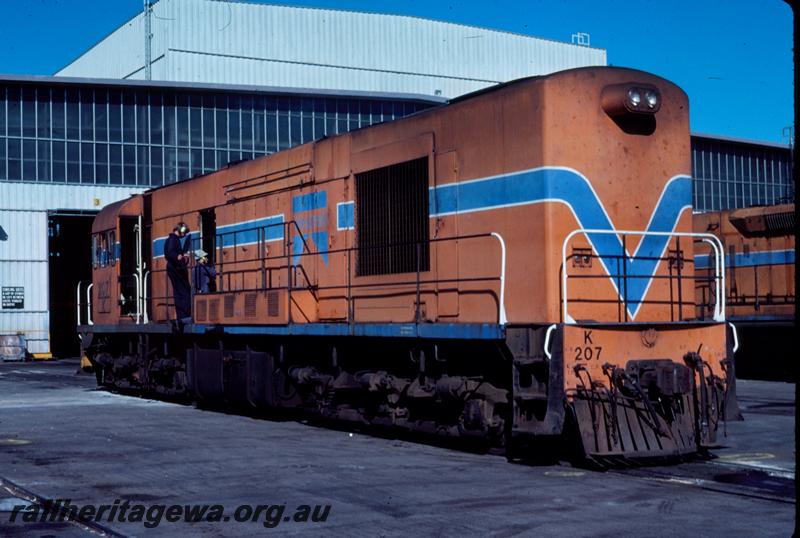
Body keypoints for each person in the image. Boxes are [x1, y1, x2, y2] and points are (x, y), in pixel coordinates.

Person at [164, 221, 192, 322]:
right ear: (179, 229)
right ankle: (184, 316)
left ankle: (183, 316)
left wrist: (183, 256)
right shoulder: (173, 239)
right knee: (183, 292)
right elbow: (170, 253)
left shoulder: (173, 240)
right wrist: (178, 256)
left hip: (175, 268)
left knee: (182, 292)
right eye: (183, 231)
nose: (184, 234)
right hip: (175, 269)